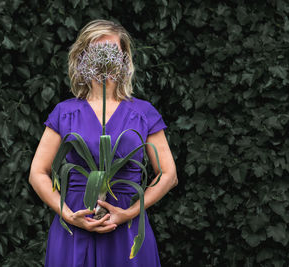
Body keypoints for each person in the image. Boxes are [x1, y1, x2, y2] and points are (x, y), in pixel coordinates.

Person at [29, 19, 178, 267]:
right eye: (96, 51)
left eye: (111, 52)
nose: (104, 59)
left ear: (124, 58)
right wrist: (68, 214)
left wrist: (128, 214)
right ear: (82, 57)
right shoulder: (64, 112)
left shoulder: (143, 112)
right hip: (76, 223)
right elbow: (37, 173)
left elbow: (168, 174)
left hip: (126, 226)